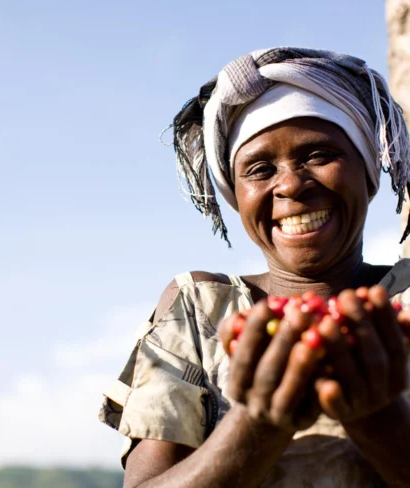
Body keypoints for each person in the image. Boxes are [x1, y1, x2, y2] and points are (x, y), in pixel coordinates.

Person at [99, 47, 410, 487]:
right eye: (260, 169)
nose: (290, 184)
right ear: (235, 195)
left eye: (319, 155)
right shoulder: (201, 312)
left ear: (366, 168)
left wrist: (380, 420)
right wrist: (257, 424)